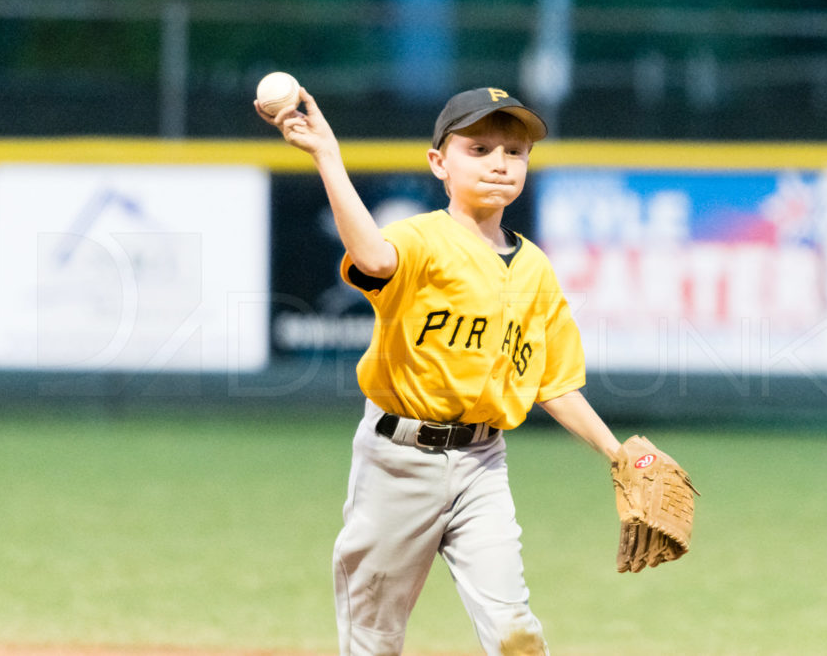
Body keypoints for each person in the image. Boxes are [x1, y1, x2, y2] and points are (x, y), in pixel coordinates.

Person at [257, 86, 622, 656]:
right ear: (439, 163)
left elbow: (554, 381)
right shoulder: (419, 239)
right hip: (396, 461)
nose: (500, 163)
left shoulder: (536, 269)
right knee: (372, 640)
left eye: (514, 151)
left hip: (482, 464)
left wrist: (617, 452)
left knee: (514, 630)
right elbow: (374, 259)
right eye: (478, 149)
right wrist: (328, 156)